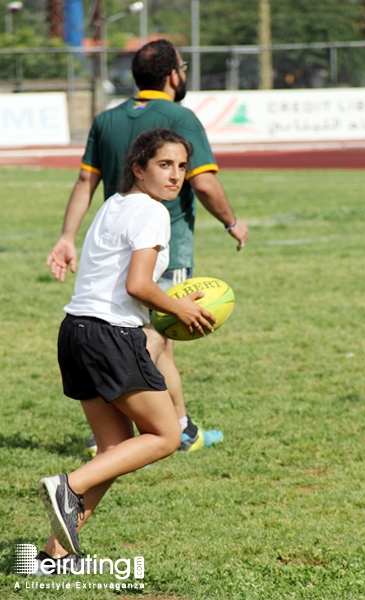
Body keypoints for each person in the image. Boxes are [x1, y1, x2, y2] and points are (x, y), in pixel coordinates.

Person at [46, 38, 249, 454]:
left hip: (110, 250)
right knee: (158, 338)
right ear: (174, 74)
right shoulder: (180, 117)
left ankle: (145, 421)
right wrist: (231, 222)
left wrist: (67, 236)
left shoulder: (106, 118)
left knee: (150, 339)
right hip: (157, 248)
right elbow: (205, 182)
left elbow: (87, 182)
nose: (175, 173)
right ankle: (172, 426)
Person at [36, 129, 217, 575]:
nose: (176, 176)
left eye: (181, 167)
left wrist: (170, 307)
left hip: (75, 331)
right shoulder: (151, 212)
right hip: (110, 337)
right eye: (164, 165)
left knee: (113, 449)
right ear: (138, 168)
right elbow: (138, 284)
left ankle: (50, 558)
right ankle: (68, 485)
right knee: (166, 435)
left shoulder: (112, 206)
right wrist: (180, 309)